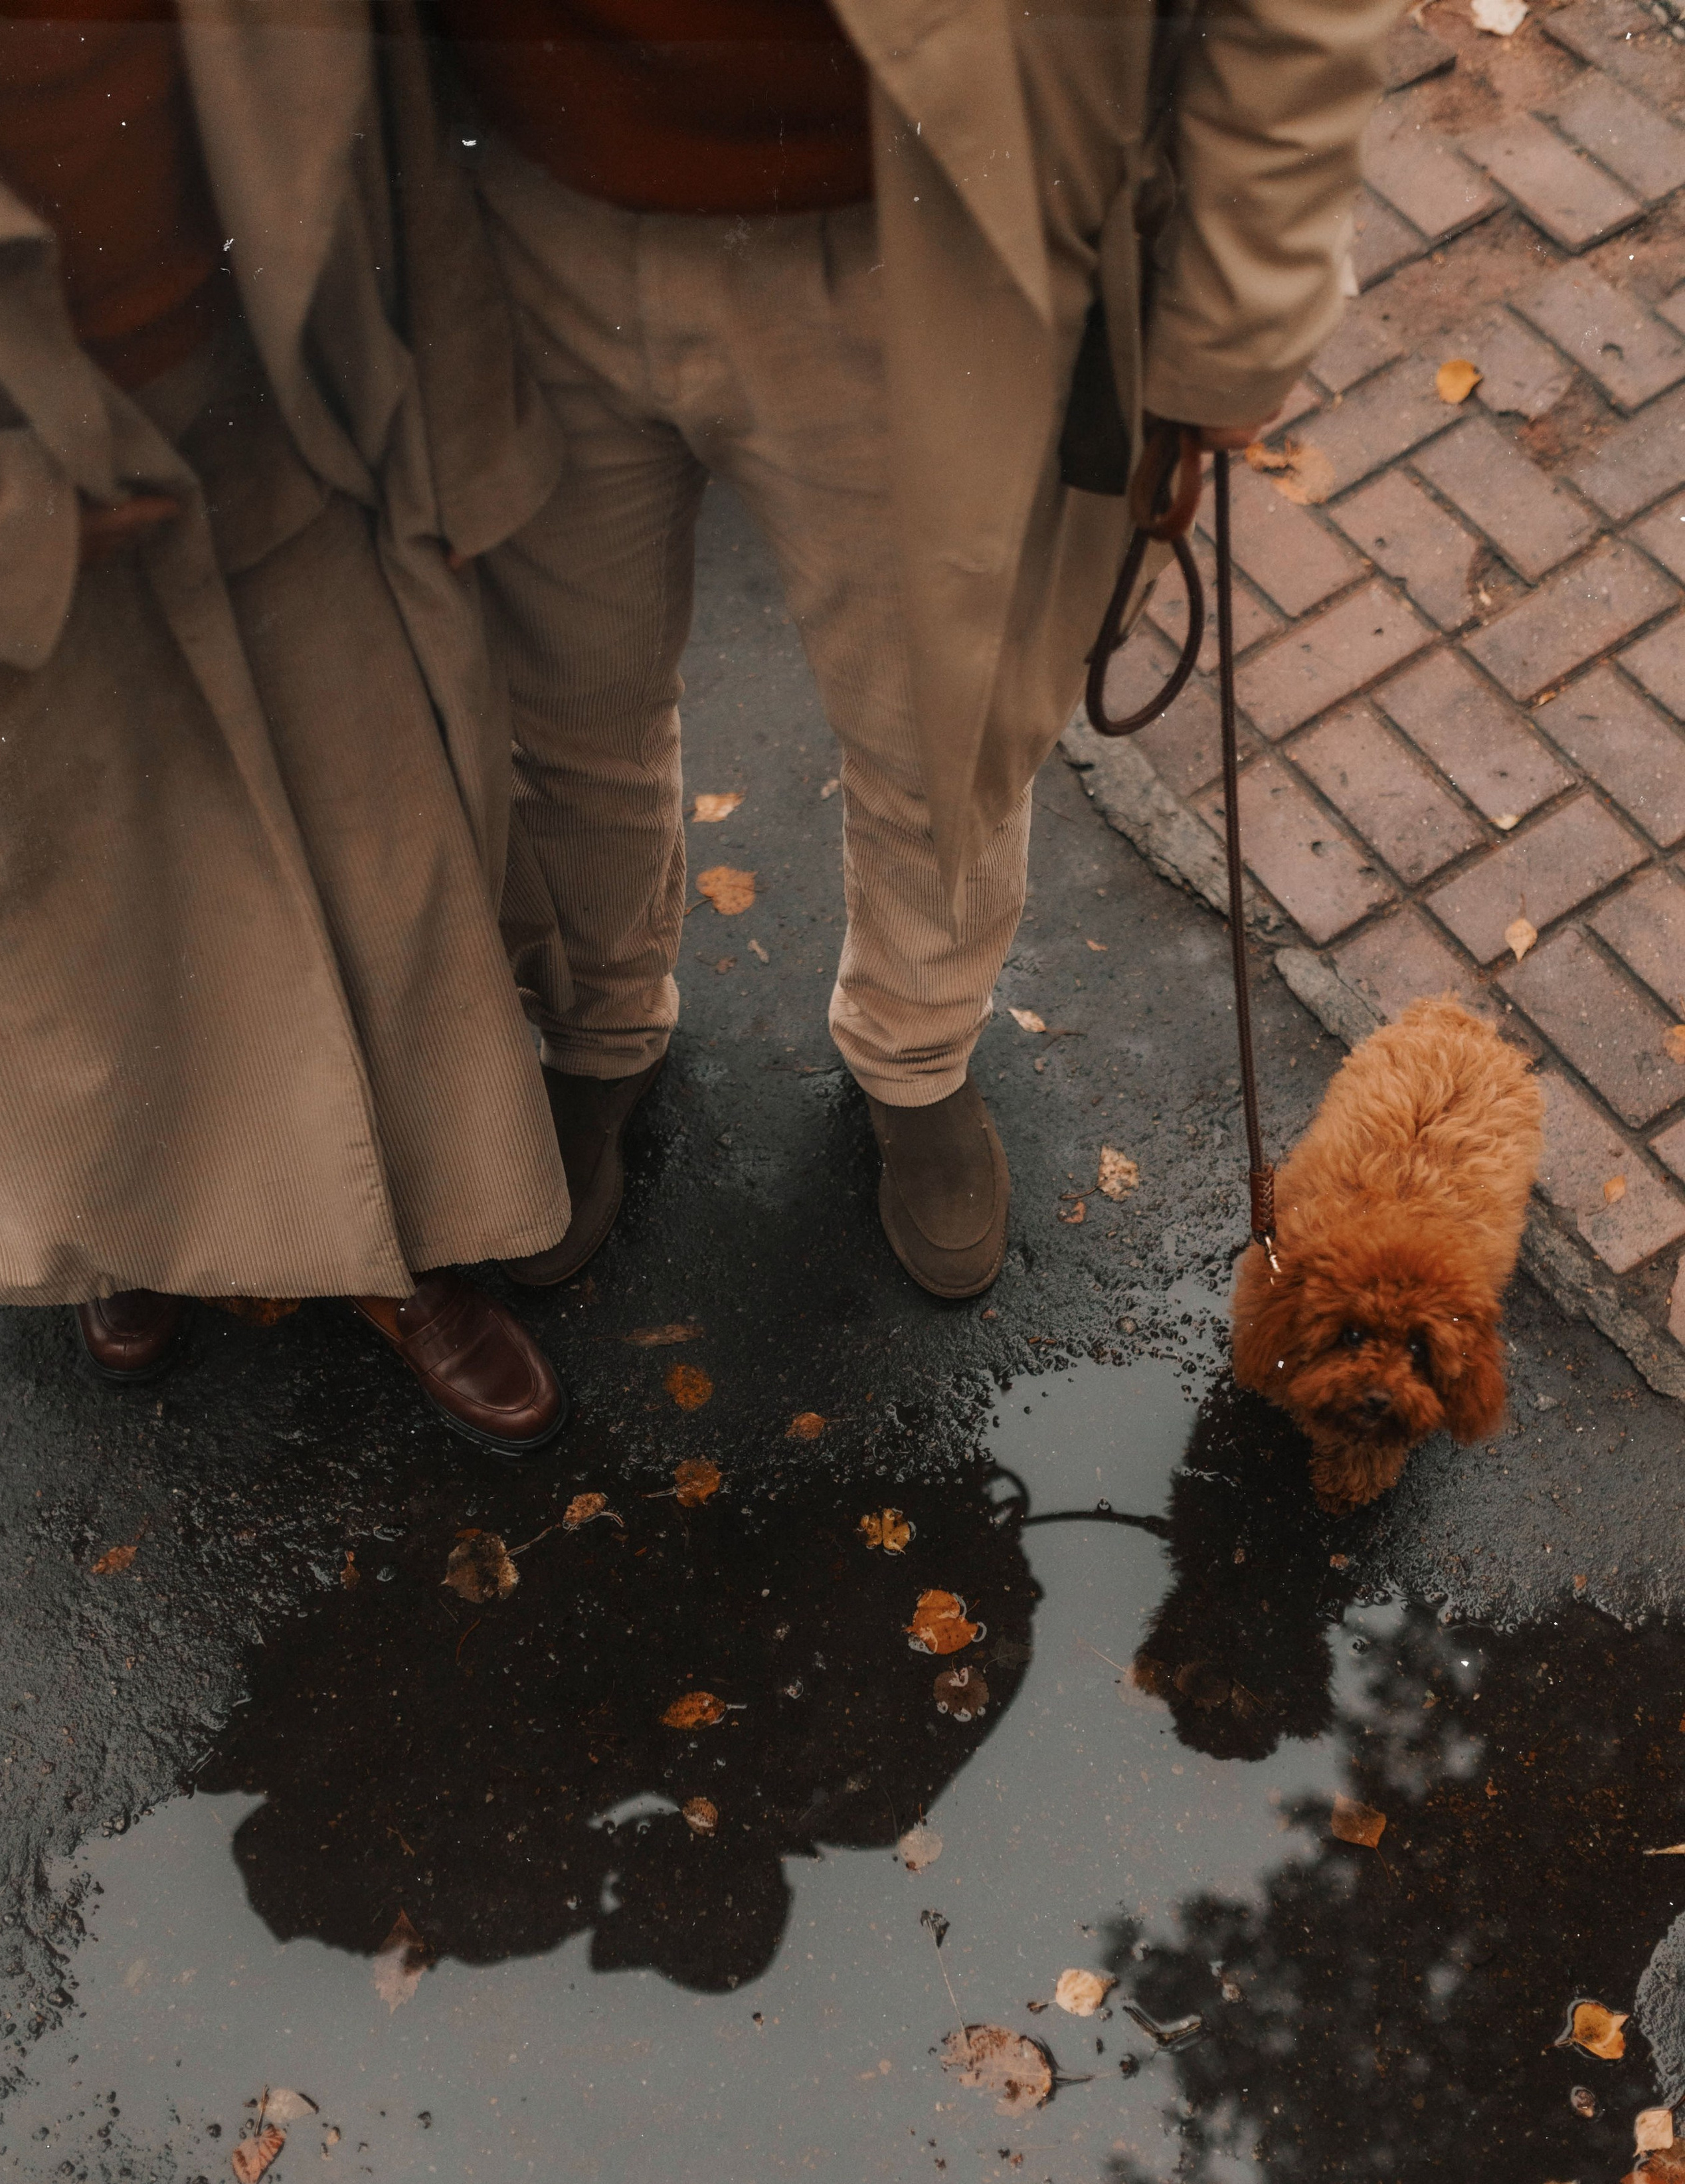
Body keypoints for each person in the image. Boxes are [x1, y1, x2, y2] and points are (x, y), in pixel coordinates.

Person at [434, 0, 1396, 1300]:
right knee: (559, 699)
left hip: (913, 217)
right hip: (512, 186)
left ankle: (915, 1050)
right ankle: (592, 1021)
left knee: (940, 724)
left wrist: (1237, 312)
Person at [0, 0, 574, 1452]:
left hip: (255, 388)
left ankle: (415, 1241)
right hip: (14, 479)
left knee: (377, 843)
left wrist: (452, 443)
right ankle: (136, 1228)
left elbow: (391, 137)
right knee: (91, 914)